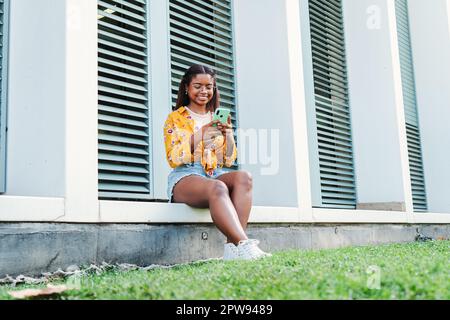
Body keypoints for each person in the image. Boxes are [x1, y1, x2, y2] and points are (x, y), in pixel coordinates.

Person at [163, 64, 271, 261]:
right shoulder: (175, 118)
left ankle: (232, 249)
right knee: (218, 187)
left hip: (214, 173)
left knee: (244, 177)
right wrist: (200, 134)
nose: (204, 91)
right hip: (185, 176)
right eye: (198, 86)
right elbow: (173, 158)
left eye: (209, 86)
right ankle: (244, 245)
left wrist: (228, 134)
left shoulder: (216, 117)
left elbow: (228, 159)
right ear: (186, 87)